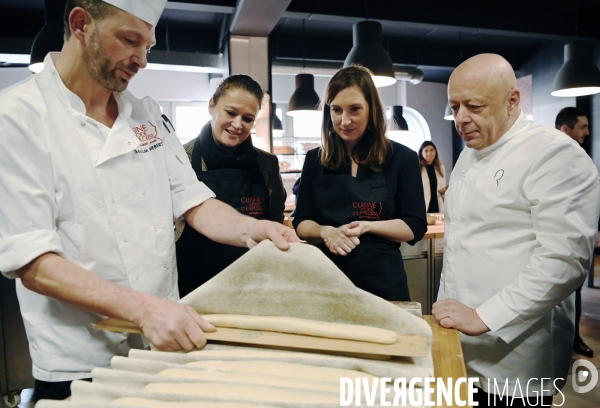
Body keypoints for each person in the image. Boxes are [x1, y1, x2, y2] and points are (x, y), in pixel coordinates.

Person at [0, 0, 298, 401]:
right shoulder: (17, 116)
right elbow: (33, 261)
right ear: (80, 24)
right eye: (129, 40)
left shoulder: (147, 116)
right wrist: (143, 309)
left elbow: (193, 201)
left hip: (161, 341)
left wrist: (254, 229)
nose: (141, 60)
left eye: (149, 46)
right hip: (79, 355)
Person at [432, 53, 600, 407]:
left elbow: (563, 261)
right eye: (455, 107)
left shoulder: (554, 155)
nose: (461, 119)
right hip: (460, 340)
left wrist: (483, 316)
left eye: (474, 106)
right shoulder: (469, 154)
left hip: (516, 356)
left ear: (512, 101)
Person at [292, 65, 427, 301]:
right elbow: (301, 221)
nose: (344, 121)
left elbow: (415, 225)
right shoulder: (315, 160)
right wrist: (326, 231)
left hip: (383, 282)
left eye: (355, 109)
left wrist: (367, 226)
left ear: (372, 110)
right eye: (336, 110)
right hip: (326, 282)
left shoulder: (402, 158)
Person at [175, 75, 287, 297]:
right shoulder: (181, 159)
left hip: (252, 286)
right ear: (212, 105)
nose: (237, 125)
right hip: (194, 287)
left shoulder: (266, 165)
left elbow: (275, 219)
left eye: (248, 118)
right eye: (231, 113)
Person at [555, 106, 594, 358]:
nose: (588, 132)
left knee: (574, 290)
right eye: (583, 127)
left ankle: (573, 338)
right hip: (555, 239)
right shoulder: (550, 158)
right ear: (566, 129)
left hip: (575, 238)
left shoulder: (581, 158)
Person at [418, 141, 447, 213]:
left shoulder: (440, 168)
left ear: (435, 151)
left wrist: (444, 190)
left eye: (431, 150)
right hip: (424, 204)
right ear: (421, 153)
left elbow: (441, 187)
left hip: (437, 204)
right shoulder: (418, 169)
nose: (429, 153)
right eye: (426, 151)